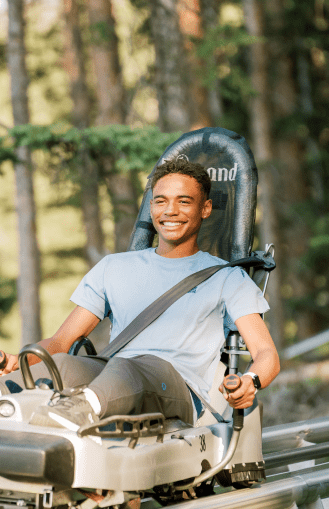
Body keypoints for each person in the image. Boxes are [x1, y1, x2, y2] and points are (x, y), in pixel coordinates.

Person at [0, 158, 280, 428]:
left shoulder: (228, 277)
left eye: (184, 201)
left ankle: (77, 411)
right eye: (161, 201)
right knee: (64, 364)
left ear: (205, 208)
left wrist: (251, 381)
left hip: (179, 390)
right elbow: (62, 342)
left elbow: (266, 353)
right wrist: (17, 362)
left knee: (130, 368)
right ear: (151, 206)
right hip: (114, 375)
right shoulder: (114, 267)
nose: (170, 211)